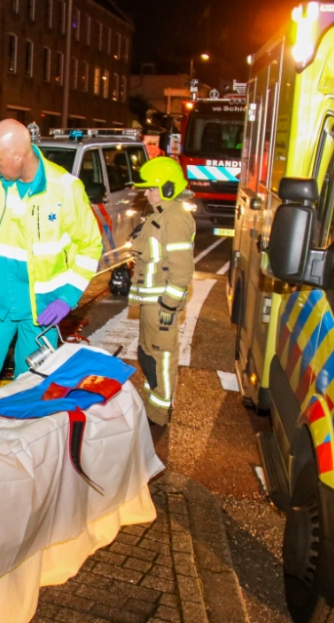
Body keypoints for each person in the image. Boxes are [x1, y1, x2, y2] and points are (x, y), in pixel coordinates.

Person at [0, 119, 103, 399]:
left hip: (42, 311)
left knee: (30, 386)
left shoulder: (65, 189)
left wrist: (67, 297)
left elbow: (90, 245)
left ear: (18, 156)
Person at [128, 157, 195, 426]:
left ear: (168, 187)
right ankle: (150, 401)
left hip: (161, 305)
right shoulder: (158, 214)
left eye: (151, 188)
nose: (146, 193)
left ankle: (159, 413)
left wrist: (169, 306)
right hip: (150, 303)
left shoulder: (176, 218)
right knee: (148, 355)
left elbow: (182, 269)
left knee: (162, 357)